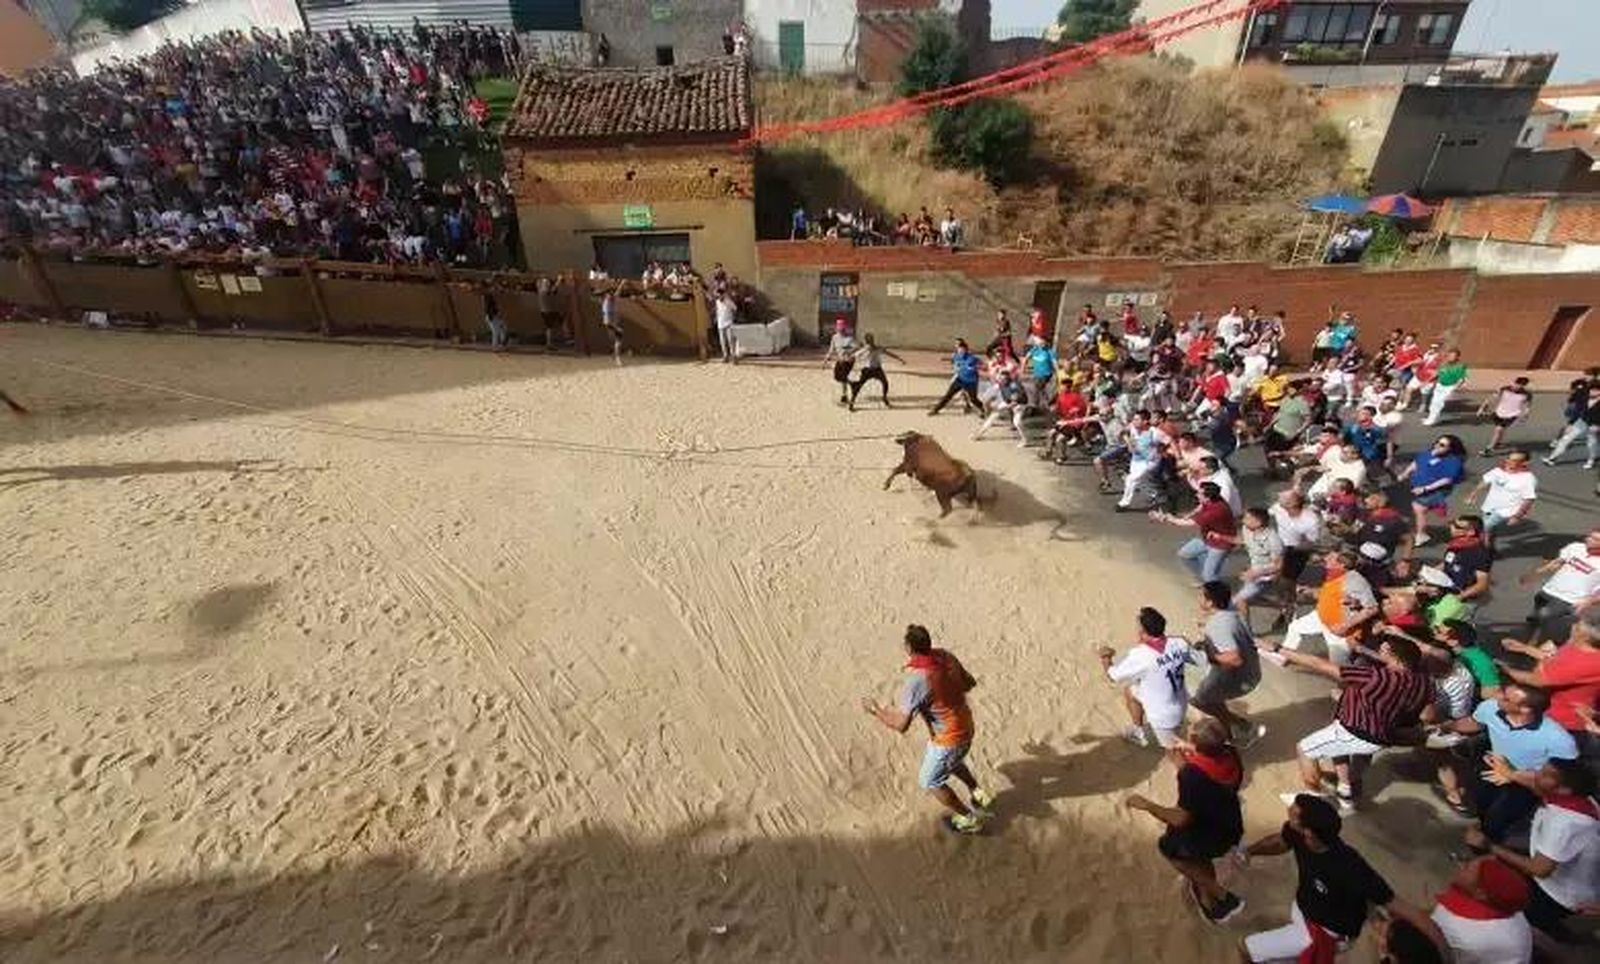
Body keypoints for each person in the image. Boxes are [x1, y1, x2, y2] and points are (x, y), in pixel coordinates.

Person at [1239, 794, 1433, 963]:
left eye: (1294, 813)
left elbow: (1401, 906)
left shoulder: (1351, 867)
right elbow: (1282, 842)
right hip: (1303, 907)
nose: (1288, 810)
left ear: (1309, 834)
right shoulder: (1299, 833)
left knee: (1246, 949)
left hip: (1323, 933)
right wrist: (1249, 852)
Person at [1265, 634, 1432, 810]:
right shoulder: (1424, 682)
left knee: (1305, 750)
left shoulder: (1374, 676)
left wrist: (1277, 649)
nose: (1380, 651)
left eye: (1384, 650)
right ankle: (1346, 794)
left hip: (1354, 732)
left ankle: (1312, 799)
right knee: (1342, 753)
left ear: (1394, 657)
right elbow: (1428, 715)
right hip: (1383, 735)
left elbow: (1318, 664)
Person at [862, 625, 994, 834]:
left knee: (929, 780)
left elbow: (901, 725)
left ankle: (969, 818)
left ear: (909, 648)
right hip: (966, 725)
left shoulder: (917, 681)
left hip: (949, 738)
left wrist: (876, 710)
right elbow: (969, 683)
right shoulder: (946, 656)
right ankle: (978, 792)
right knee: (953, 762)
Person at [1124, 717, 1247, 923]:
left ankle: (1222, 896)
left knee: (1169, 848)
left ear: (1197, 744)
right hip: (1228, 822)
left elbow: (1181, 818)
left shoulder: (1191, 776)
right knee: (1199, 857)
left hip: (1204, 830)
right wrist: (1189, 757)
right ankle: (1207, 899)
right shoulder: (1231, 753)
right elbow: (1210, 773)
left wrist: (1148, 805)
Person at [1462, 759, 1599, 940]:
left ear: (1563, 790)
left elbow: (1540, 869)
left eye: (1545, 775)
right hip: (1554, 874)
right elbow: (1536, 785)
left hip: (1555, 896)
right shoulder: (1577, 800)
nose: (1536, 775)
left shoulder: (1565, 822)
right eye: (1541, 770)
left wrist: (1487, 845)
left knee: (1506, 920)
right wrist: (1509, 773)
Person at [1430, 685, 1577, 841]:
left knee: (1496, 822)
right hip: (1492, 769)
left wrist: (1512, 775)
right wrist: (1446, 726)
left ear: (1525, 709)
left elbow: (1558, 782)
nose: (1498, 697)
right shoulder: (1490, 708)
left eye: (1506, 699)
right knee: (1480, 805)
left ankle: (1489, 852)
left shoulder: (1559, 739)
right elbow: (1475, 722)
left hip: (1526, 784)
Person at [1497, 608, 1600, 743]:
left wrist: (1506, 669)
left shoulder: (1583, 663)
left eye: (1578, 626)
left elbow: (1536, 679)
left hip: (1560, 717)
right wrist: (1524, 648)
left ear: (1585, 636)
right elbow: (1556, 658)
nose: (1573, 626)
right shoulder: (1580, 646)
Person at [1098, 607, 1193, 749]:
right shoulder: (1180, 643)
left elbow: (1113, 676)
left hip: (1163, 718)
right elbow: (1185, 643)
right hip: (1181, 704)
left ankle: (1142, 733)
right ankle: (1138, 729)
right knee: (1130, 691)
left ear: (1143, 631)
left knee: (1173, 753)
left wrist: (1106, 658)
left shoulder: (1141, 655)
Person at [1273, 547, 1380, 667]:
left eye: (1331, 558)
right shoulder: (1333, 574)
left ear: (1342, 565)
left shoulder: (1355, 580)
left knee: (1339, 665)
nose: (1326, 559)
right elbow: (1332, 593)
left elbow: (1372, 608)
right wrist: (1309, 590)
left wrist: (1344, 626)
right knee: (1295, 627)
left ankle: (1354, 682)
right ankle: (1282, 657)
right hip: (1320, 617)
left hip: (1339, 628)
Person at [1193, 580, 1265, 745]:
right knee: (1214, 700)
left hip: (1239, 678)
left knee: (1200, 700)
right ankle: (1229, 735)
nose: (1199, 600)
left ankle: (1243, 726)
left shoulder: (1217, 625)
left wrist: (1209, 656)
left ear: (1210, 602)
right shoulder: (1233, 614)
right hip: (1251, 671)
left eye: (1202, 597)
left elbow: (1234, 659)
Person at [1428, 856, 1533, 964]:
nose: (1460, 865)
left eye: (1467, 868)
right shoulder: (1505, 906)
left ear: (1480, 893)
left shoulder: (1469, 935)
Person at [1514, 527, 1600, 648]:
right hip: (1548, 590)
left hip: (1569, 599)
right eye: (1590, 536)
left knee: (1545, 618)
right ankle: (1536, 622)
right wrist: (1535, 574)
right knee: (1537, 612)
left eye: (1595, 539)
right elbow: (1557, 563)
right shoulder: (1576, 547)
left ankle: (1533, 645)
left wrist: (1588, 602)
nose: (1588, 539)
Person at [1151, 482, 1236, 585]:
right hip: (1208, 539)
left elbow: (1184, 524)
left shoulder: (1214, 512)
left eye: (1200, 493)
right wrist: (1189, 514)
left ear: (1208, 498)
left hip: (1221, 544)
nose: (1196, 495)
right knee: (1185, 555)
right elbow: (1200, 506)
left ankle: (1216, 593)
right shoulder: (1215, 499)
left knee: (1209, 576)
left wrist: (1165, 518)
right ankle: (1204, 578)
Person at [1397, 434, 1467, 547]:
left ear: (1450, 449)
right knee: (1413, 506)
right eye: (1437, 442)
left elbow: (1447, 480)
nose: (1437, 446)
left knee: (1419, 508)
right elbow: (1416, 463)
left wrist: (1425, 489)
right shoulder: (1428, 453)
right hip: (1417, 487)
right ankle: (1436, 507)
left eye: (1442, 445)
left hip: (1435, 490)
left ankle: (1421, 535)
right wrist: (1405, 473)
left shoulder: (1453, 461)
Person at [1232, 507, 1283, 628]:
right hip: (1253, 572)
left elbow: (1279, 565)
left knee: (1240, 600)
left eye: (1247, 518)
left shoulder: (1274, 540)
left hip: (1266, 576)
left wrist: (1256, 573)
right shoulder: (1246, 529)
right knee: (1250, 599)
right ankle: (1282, 606)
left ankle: (1246, 631)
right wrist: (1221, 538)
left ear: (1258, 522)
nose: (1243, 520)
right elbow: (1244, 541)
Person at [1542, 379, 1600, 469]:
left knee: (1592, 443)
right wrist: (1571, 424)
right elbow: (1578, 411)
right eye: (1591, 390)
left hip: (1595, 425)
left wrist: (1598, 426)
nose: (1592, 392)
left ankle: (1591, 460)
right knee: (1566, 439)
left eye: (1596, 390)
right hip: (1582, 421)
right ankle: (1552, 458)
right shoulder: (1584, 397)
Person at [973, 369, 1030, 447]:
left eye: (1003, 379)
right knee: (993, 415)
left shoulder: (1014, 386)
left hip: (1019, 405)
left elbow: (1015, 402)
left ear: (1008, 379)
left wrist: (1003, 408)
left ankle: (1024, 440)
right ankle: (979, 434)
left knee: (1017, 422)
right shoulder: (1000, 384)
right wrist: (987, 403)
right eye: (1000, 378)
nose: (1001, 380)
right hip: (1008, 402)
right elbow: (989, 395)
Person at [1477, 376, 1533, 455]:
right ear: (1514, 382)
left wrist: (1526, 414)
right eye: (1517, 384)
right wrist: (1482, 408)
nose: (1517, 386)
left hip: (1512, 414)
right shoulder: (1504, 389)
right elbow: (1491, 399)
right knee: (1500, 430)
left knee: (1499, 430)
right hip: (1499, 412)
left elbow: (1528, 406)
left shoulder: (1527, 394)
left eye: (1521, 385)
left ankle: (1489, 449)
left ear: (1524, 386)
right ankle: (1497, 442)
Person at [847, 334, 902, 411]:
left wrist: (899, 358)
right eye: (869, 341)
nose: (870, 343)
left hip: (877, 370)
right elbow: (853, 356)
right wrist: (847, 359)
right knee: (858, 386)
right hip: (867, 370)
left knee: (885, 383)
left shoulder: (878, 348)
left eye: (871, 341)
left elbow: (889, 353)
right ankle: (852, 403)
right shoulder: (864, 349)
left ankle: (884, 398)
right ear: (866, 342)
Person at [929, 339, 982, 415]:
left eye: (962, 349)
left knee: (973, 399)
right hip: (960, 379)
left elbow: (981, 364)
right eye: (959, 349)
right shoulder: (956, 356)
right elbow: (953, 360)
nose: (960, 351)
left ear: (966, 350)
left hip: (971, 382)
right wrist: (944, 359)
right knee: (948, 395)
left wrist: (976, 367)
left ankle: (982, 409)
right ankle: (936, 409)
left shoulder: (971, 358)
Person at [1423, 348, 1468, 426]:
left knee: (1439, 403)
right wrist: (1427, 381)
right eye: (1449, 355)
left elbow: (1461, 379)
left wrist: (1456, 387)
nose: (1451, 357)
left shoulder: (1461, 366)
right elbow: (1437, 374)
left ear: (1457, 357)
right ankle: (1431, 417)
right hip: (1440, 385)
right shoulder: (1444, 365)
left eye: (1453, 356)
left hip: (1450, 387)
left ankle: (1432, 419)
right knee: (1433, 402)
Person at [822, 318, 857, 405]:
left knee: (843, 377)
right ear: (837, 328)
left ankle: (844, 396)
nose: (841, 330)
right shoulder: (834, 337)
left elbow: (857, 347)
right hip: (840, 360)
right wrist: (826, 360)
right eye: (839, 328)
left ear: (845, 328)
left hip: (848, 361)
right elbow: (831, 350)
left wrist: (848, 350)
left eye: (842, 328)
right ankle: (853, 384)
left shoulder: (849, 338)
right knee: (838, 377)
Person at [599, 288, 623, 365]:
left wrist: (622, 283)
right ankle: (617, 358)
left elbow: (618, 292)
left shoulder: (612, 298)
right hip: (610, 324)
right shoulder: (607, 304)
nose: (611, 295)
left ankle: (614, 356)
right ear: (606, 295)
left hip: (613, 323)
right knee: (618, 339)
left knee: (616, 340)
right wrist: (616, 328)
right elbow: (607, 320)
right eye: (609, 294)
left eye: (611, 294)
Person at [714, 291, 738, 363]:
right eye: (717, 296)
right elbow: (717, 311)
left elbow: (735, 308)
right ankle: (725, 356)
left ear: (723, 295)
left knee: (730, 340)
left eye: (720, 295)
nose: (719, 297)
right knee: (722, 341)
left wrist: (732, 317)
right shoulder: (717, 302)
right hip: (720, 324)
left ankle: (733, 356)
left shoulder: (728, 301)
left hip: (729, 323)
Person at [481, 286, 506, 351]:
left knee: (502, 329)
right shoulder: (489, 299)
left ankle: (501, 344)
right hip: (492, 317)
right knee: (496, 332)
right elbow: (489, 310)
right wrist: (493, 315)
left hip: (495, 316)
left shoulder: (491, 299)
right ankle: (495, 346)